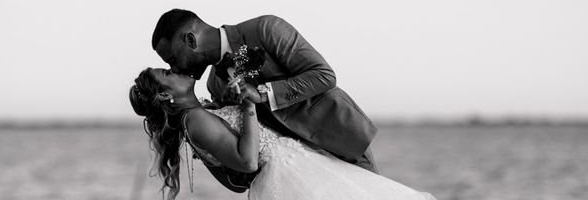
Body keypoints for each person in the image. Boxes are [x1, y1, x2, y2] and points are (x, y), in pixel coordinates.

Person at [151, 9, 378, 191]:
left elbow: (323, 75)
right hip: (299, 175)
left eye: (172, 59)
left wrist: (263, 94)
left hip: (344, 144)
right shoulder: (215, 86)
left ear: (190, 40)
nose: (175, 68)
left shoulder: (266, 28)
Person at [129, 67, 436, 200]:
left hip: (301, 164)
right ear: (166, 96)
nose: (174, 70)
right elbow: (247, 160)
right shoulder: (194, 120)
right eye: (166, 74)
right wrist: (249, 102)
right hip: (289, 175)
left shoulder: (203, 110)